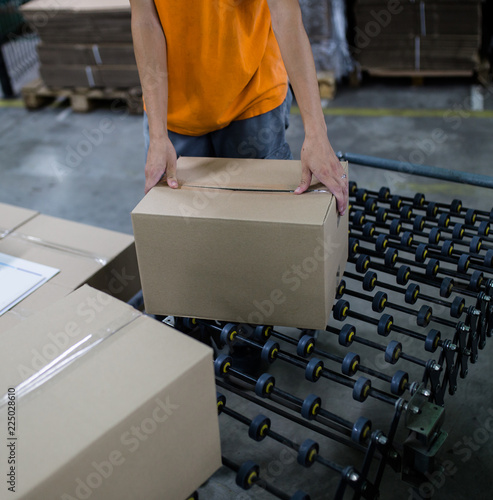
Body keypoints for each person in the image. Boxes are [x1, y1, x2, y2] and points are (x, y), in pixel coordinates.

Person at [129, 0, 348, 216]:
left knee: (267, 223)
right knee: (187, 235)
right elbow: (146, 21)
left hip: (253, 94)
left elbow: (285, 14)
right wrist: (158, 135)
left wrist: (317, 134)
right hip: (174, 111)